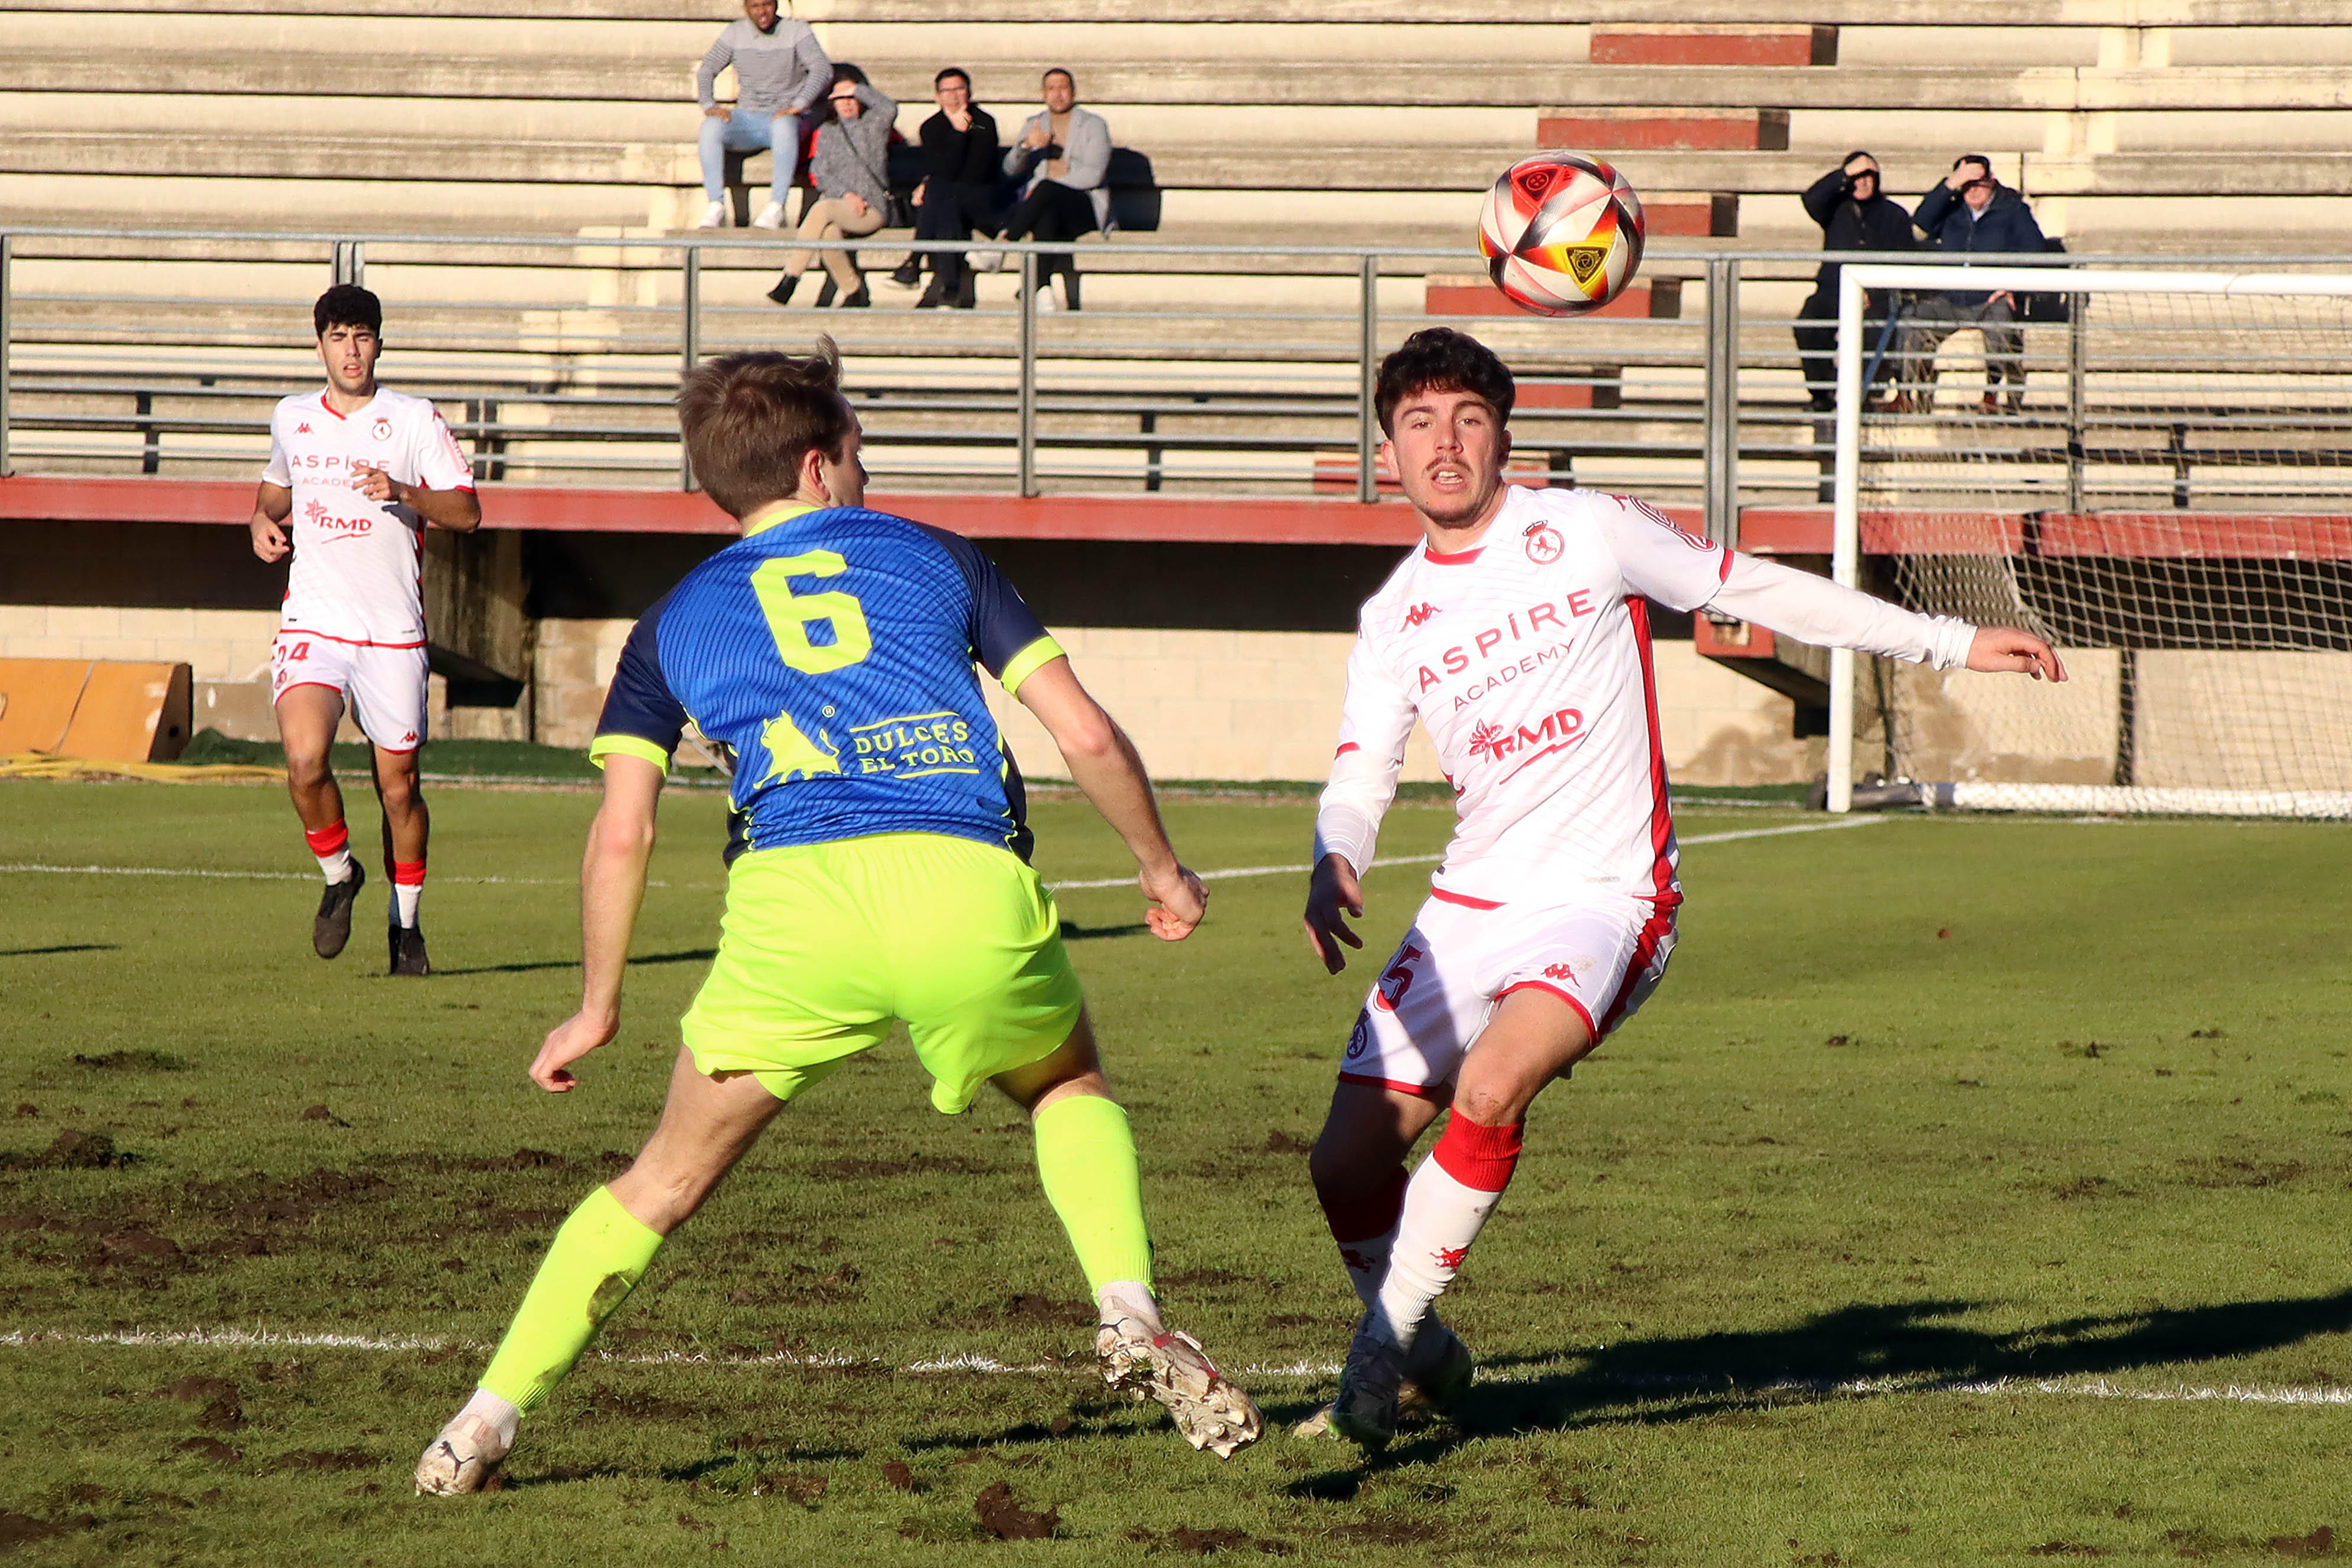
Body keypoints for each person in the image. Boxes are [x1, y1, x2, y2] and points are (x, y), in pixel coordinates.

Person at [413, 343, 1262, 1495]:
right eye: (858, 452)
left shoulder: (671, 623)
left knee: (659, 1182)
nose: (864, 473)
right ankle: (1127, 1304)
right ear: (820, 463)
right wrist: (1162, 869)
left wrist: (595, 1006)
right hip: (962, 883)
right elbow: (1088, 734)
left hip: (794, 913)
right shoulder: (937, 555)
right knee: (1067, 1086)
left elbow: (623, 831)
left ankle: (479, 1424)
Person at [1293, 328, 2066, 1449]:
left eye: (1466, 417)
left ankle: (1376, 1359)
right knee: (1343, 1162)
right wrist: (1335, 856)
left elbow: (1750, 586)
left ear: (1502, 432)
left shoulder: (1585, 530)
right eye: (1417, 423)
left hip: (1606, 897)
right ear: (1388, 453)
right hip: (1470, 904)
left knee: (1491, 1086)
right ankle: (1425, 1357)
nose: (1443, 443)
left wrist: (1944, 640)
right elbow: (1362, 761)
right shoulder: (1394, 612)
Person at [247, 285, 482, 978]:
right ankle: (338, 871)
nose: (351, 351)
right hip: (315, 621)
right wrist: (259, 521)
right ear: (318, 344)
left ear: (380, 342)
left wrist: (405, 492)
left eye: (363, 337)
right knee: (303, 758)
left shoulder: (413, 420)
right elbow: (275, 489)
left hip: (392, 633)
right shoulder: (292, 418)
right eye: (339, 337)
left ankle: (405, 926)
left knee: (400, 788)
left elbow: (469, 512)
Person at [1903, 155, 2047, 415]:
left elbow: (2035, 249)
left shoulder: (2013, 209)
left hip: (1989, 299)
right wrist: (1950, 184)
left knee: (2001, 318)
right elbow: (1920, 225)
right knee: (1911, 317)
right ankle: (1906, 394)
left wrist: (2010, 284)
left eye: (1978, 182)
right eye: (1966, 183)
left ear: (1991, 180)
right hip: (1949, 298)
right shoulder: (1951, 207)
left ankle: (1991, 394)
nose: (1973, 189)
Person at [766, 64, 894, 309]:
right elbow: (819, 172)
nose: (846, 103)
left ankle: (791, 277)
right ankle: (854, 291)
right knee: (828, 235)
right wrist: (846, 195)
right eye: (839, 98)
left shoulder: (874, 126)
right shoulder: (827, 131)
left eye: (851, 98)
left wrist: (857, 88)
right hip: (842, 204)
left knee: (822, 209)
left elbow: (889, 108)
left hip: (871, 208)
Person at [695, 0, 831, 230]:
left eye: (767, 4)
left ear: (776, 5)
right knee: (711, 127)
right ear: (746, 8)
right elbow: (707, 70)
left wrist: (800, 104)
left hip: (785, 118)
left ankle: (776, 207)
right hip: (748, 116)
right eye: (755, 6)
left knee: (784, 126)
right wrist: (709, 105)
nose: (762, 12)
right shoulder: (735, 33)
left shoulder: (797, 31)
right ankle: (716, 205)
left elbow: (822, 69)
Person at [1794, 151, 1913, 414]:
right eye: (1856, 177)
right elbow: (1811, 199)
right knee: (1808, 324)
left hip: (1879, 297)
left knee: (1873, 329)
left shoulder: (1895, 216)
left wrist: (1872, 291)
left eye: (1868, 177)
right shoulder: (1834, 210)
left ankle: (1859, 394)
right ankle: (1823, 392)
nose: (1863, 183)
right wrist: (1844, 173)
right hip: (1833, 292)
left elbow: (1903, 264)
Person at [988, 68, 1112, 313]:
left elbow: (1094, 174)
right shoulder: (1034, 124)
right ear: (1043, 94)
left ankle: (1003, 245)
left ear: (1074, 92)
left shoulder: (1094, 125)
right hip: (1045, 209)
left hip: (1083, 204)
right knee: (1047, 212)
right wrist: (1025, 146)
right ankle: (1039, 288)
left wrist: (1051, 188)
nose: (1058, 94)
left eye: (1063, 88)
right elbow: (1010, 170)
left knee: (1046, 190)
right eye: (1052, 89)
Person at [903, 67, 1001, 310]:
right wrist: (957, 135)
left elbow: (975, 173)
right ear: (938, 96)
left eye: (960, 89)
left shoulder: (984, 124)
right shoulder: (931, 128)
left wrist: (961, 133)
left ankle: (913, 263)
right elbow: (943, 170)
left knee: (940, 190)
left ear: (969, 92)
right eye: (947, 91)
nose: (954, 96)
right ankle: (950, 288)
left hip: (979, 200)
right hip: (948, 203)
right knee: (945, 204)